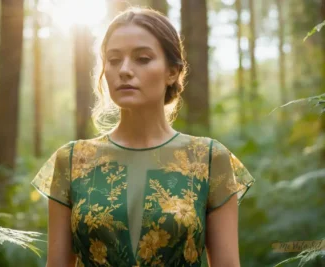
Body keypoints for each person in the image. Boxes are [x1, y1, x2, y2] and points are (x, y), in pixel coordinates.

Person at [31, 7, 255, 267]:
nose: (124, 70)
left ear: (172, 72)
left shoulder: (208, 158)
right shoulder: (71, 160)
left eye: (143, 58)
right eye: (114, 60)